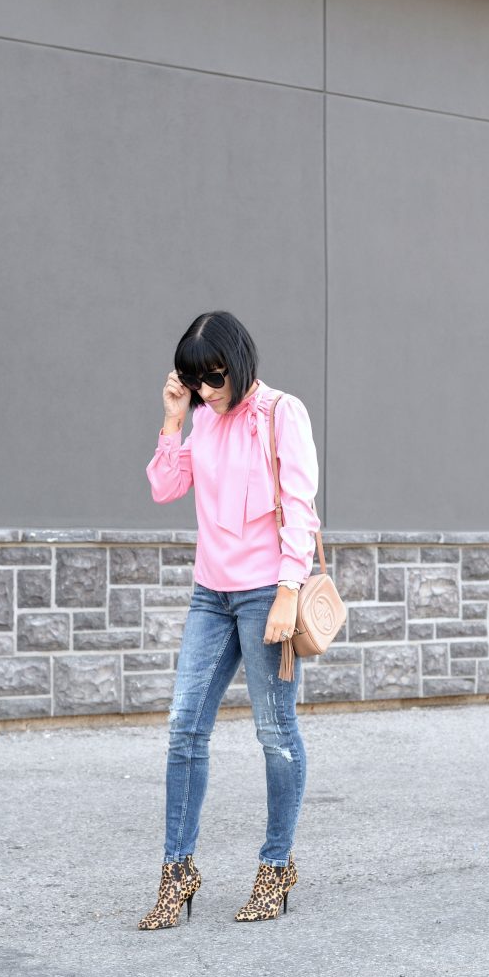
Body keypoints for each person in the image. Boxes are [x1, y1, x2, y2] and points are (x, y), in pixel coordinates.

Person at [139, 310, 320, 929]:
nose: (208, 393)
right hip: (209, 596)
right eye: (196, 383)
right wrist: (172, 419)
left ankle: (276, 866)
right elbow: (166, 487)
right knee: (184, 727)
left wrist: (290, 591)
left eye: (214, 379)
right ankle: (177, 870)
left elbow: (300, 507)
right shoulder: (205, 421)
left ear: (238, 362)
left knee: (274, 731)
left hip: (268, 592)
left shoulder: (279, 414)